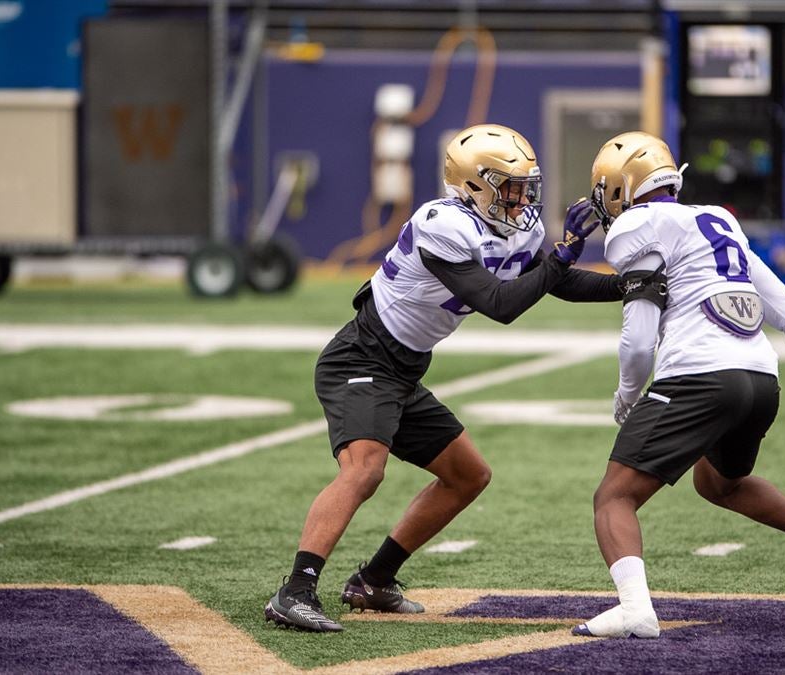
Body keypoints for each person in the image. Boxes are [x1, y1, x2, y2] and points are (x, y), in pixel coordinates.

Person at [265, 123, 622, 632]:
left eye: (525, 185)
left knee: (467, 475)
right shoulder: (441, 222)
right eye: (510, 185)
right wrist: (563, 252)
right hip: (361, 359)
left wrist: (629, 287)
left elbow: (553, 284)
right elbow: (501, 304)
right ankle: (295, 590)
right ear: (473, 184)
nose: (521, 197)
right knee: (365, 470)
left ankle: (374, 580)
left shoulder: (515, 228)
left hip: (404, 370)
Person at [570, 132, 785, 639]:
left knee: (614, 497)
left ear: (622, 189)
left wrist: (628, 395)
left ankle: (634, 608)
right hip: (761, 378)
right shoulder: (718, 219)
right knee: (718, 481)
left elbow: (637, 338)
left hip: (699, 375)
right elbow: (783, 304)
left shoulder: (636, 224)